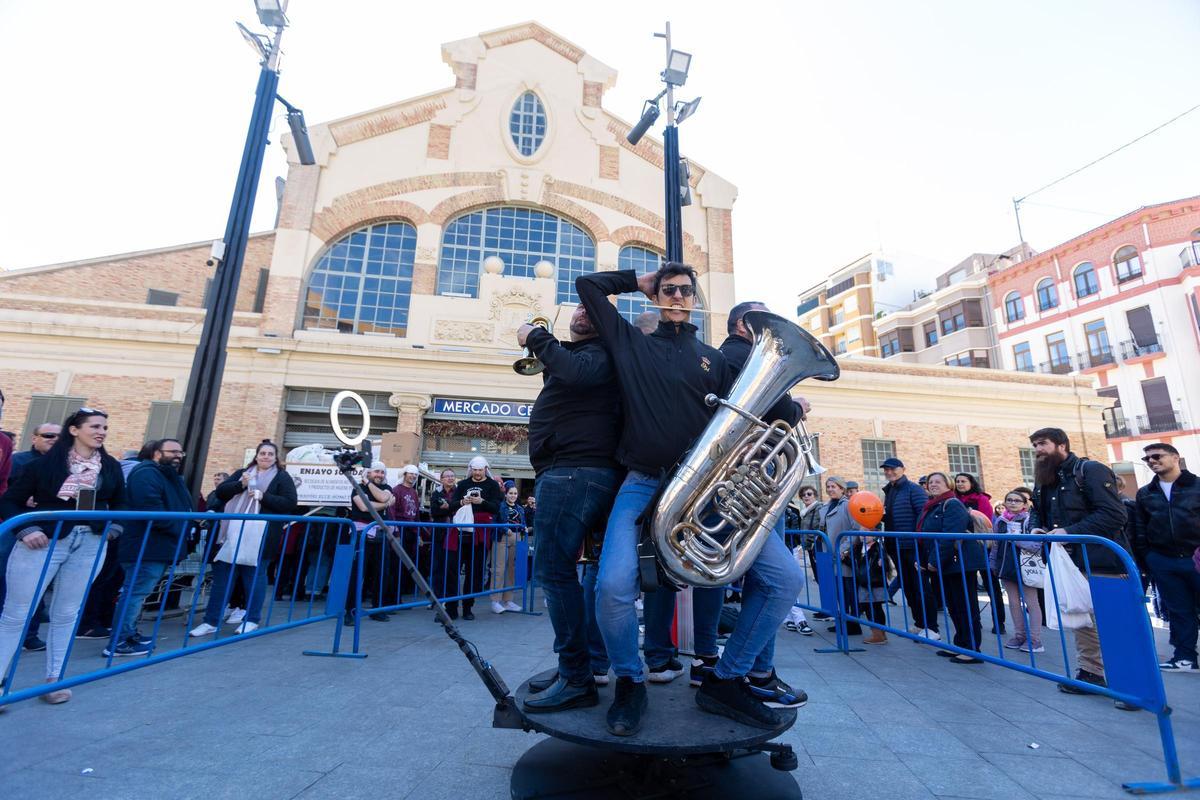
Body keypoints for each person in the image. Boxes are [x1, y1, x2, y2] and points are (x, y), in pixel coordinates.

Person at [578, 263, 803, 735]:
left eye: (685, 290)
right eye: (669, 290)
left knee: (784, 579)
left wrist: (790, 399)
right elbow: (589, 287)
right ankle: (629, 681)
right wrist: (639, 280)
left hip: (708, 489)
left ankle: (726, 680)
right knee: (614, 586)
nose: (678, 296)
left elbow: (759, 406)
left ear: (696, 298)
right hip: (643, 483)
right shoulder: (632, 343)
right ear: (657, 296)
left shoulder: (714, 359)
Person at [679, 299, 810, 711]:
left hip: (751, 488)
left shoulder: (729, 358)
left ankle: (754, 673)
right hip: (738, 490)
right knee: (782, 580)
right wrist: (795, 407)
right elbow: (778, 410)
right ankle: (734, 675)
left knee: (766, 582)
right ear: (742, 325)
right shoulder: (738, 355)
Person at [0, 408, 126, 704]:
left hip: (90, 542)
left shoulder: (110, 466)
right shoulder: (42, 465)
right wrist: (26, 529)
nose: (102, 432)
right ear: (74, 430)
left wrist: (114, 528)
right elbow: (10, 501)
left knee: (67, 613)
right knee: (17, 613)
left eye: (105, 427)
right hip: (45, 541)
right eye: (95, 426)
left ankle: (53, 680)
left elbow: (121, 500)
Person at [1027, 428, 1132, 704]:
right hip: (1070, 562)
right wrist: (1038, 527)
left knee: (1112, 623)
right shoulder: (1045, 477)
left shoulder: (1091, 470)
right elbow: (1038, 508)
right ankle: (1091, 673)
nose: (1038, 450)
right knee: (1082, 618)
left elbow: (1113, 514)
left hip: (1102, 560)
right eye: (1035, 445)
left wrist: (1070, 531)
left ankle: (1132, 686)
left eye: (1042, 444)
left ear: (1061, 445)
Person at [189, 440, 297, 638]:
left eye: (270, 454)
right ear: (256, 456)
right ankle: (211, 620)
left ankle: (252, 618)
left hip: (261, 535)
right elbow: (221, 493)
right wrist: (241, 485)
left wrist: (264, 496)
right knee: (222, 577)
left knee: (254, 577)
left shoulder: (282, 477)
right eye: (262, 453)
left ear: (275, 458)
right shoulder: (242, 473)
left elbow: (290, 503)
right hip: (232, 532)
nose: (265, 457)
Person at [105, 438, 192, 657]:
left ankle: (128, 632)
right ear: (155, 453)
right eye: (173, 451)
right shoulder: (146, 473)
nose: (178, 456)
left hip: (158, 545)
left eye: (181, 453)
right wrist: (180, 527)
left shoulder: (166, 475)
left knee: (138, 592)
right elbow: (151, 509)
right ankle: (119, 641)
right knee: (134, 593)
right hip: (146, 546)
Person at [1132, 443, 1199, 673]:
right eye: (1147, 458)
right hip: (1164, 560)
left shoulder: (1197, 486)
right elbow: (1140, 528)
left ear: (1175, 458)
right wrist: (1149, 558)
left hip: (1196, 558)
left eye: (1156, 456)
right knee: (1179, 611)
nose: (1151, 461)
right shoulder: (1145, 493)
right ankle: (1185, 657)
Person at [0, 422, 62, 652]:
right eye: (47, 435)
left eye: (58, 436)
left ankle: (30, 635)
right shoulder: (19, 460)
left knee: (37, 585)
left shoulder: (69, 465)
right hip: (16, 530)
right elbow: (5, 491)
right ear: (34, 438)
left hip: (48, 533)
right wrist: (22, 499)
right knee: (7, 581)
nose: (53, 439)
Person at [917, 472, 986, 664]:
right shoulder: (933, 505)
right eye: (930, 482)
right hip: (947, 564)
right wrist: (925, 561)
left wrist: (934, 562)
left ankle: (972, 648)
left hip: (959, 563)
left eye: (938, 481)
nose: (933, 484)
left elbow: (949, 536)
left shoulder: (952, 504)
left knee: (965, 605)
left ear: (948, 484)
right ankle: (960, 644)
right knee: (954, 606)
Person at [881, 457, 937, 639]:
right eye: (886, 469)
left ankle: (932, 628)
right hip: (896, 546)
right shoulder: (889, 491)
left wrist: (921, 545)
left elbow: (923, 517)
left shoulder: (914, 489)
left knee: (921, 587)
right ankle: (919, 624)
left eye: (893, 469)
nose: (889, 472)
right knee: (908, 587)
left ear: (903, 469)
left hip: (913, 546)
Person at [450, 456, 504, 621]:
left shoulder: (493, 485)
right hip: (460, 532)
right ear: (471, 469)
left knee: (474, 573)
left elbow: (496, 508)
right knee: (453, 571)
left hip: (480, 534)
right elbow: (452, 505)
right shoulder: (463, 484)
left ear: (485, 469)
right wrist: (462, 501)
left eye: (480, 470)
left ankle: (468, 607)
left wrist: (482, 501)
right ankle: (451, 607)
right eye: (475, 469)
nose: (478, 472)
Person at [991, 490, 1044, 654]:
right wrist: (993, 563)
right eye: (1009, 500)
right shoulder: (1000, 521)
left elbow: (1036, 545)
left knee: (1031, 602)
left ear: (1024, 504)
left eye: (1017, 500)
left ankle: (1035, 640)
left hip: (1026, 565)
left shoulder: (1029, 520)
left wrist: (1016, 539)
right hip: (1006, 565)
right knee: (1013, 602)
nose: (1013, 503)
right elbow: (995, 545)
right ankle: (1019, 635)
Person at [346, 461, 395, 623]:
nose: (379, 475)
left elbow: (382, 496)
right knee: (357, 573)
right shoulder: (358, 487)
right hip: (362, 535)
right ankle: (350, 611)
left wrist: (383, 499)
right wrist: (386, 503)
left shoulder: (387, 487)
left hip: (381, 536)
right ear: (368, 473)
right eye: (376, 472)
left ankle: (378, 609)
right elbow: (365, 507)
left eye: (382, 472)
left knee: (382, 573)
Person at [822, 476, 864, 634]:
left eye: (834, 486)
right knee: (840, 591)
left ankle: (853, 624)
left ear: (842, 489)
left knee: (848, 590)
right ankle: (843, 621)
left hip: (844, 556)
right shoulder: (828, 506)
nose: (830, 489)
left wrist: (843, 550)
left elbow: (855, 530)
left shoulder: (848, 505)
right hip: (832, 555)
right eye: (828, 486)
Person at [845, 533, 893, 644]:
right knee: (868, 608)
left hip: (875, 583)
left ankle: (879, 634)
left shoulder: (878, 548)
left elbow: (884, 561)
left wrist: (883, 563)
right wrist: (845, 559)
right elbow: (855, 564)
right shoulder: (858, 548)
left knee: (876, 608)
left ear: (874, 534)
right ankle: (879, 633)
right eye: (861, 533)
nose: (863, 535)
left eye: (867, 532)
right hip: (864, 583)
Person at [784, 486, 820, 635]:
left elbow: (795, 534)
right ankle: (797, 619)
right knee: (787, 585)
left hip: (788, 548)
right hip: (779, 549)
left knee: (790, 584)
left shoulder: (793, 510)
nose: (806, 496)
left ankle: (790, 618)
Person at [429, 468, 462, 619]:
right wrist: (451, 507)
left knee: (451, 570)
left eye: (452, 476)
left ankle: (450, 602)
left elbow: (460, 509)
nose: (450, 478)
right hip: (440, 535)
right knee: (437, 568)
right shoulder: (436, 493)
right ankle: (436, 599)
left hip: (455, 535)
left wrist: (448, 506)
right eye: (447, 476)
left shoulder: (459, 491)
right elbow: (435, 512)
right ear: (441, 479)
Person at [389, 464, 422, 602]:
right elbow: (391, 511)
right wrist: (395, 531)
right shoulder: (396, 490)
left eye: (415, 474)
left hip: (411, 531)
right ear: (405, 474)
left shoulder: (414, 492)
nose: (413, 476)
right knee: (396, 564)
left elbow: (417, 514)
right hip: (400, 530)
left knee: (407, 565)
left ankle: (399, 596)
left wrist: (418, 533)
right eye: (411, 473)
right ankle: (394, 597)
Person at [493, 485, 526, 615]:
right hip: (502, 537)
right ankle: (495, 601)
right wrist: (504, 529)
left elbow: (523, 522)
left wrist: (524, 528)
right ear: (505, 494)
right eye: (510, 493)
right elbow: (494, 522)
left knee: (511, 569)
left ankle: (508, 600)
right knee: (499, 569)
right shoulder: (499, 506)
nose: (513, 495)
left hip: (516, 537)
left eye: (515, 493)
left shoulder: (520, 508)